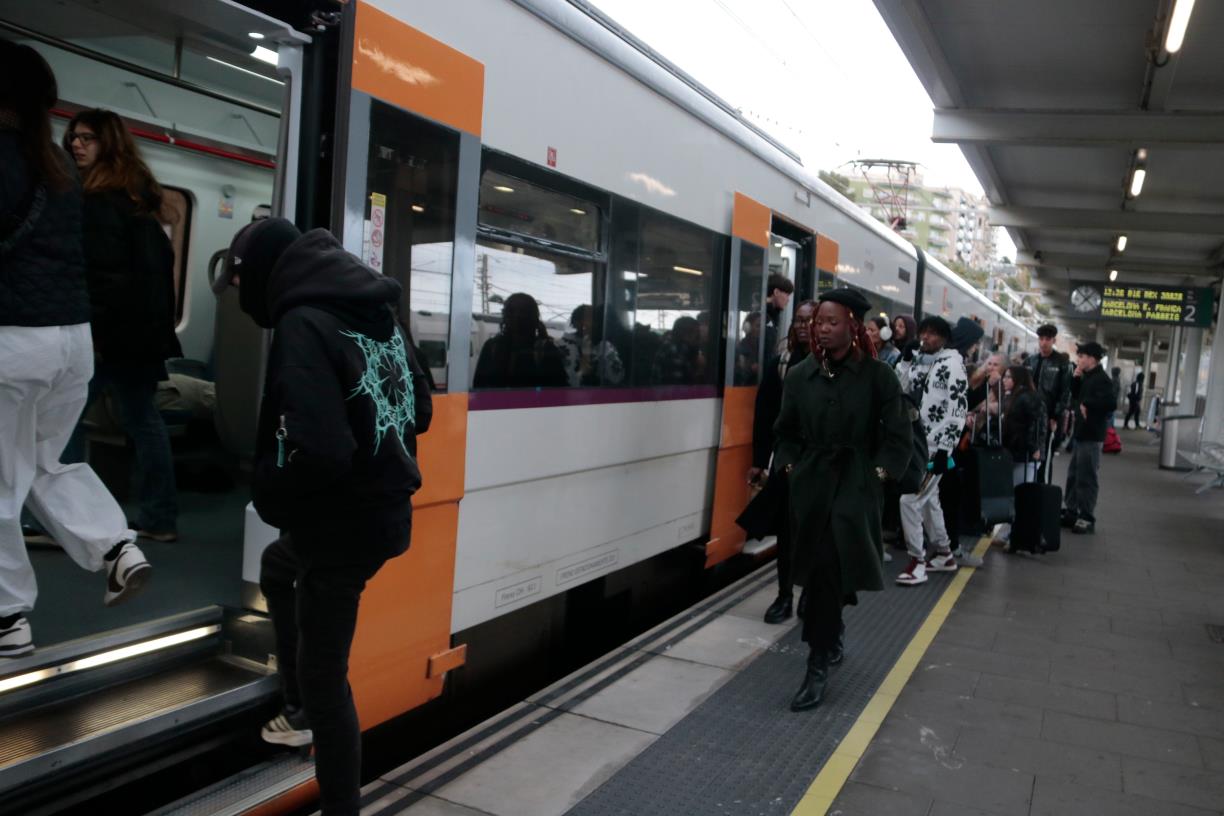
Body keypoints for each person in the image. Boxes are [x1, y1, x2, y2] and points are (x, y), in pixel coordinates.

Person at [212, 217, 432, 816]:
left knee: (326, 678)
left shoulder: (301, 323)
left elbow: (322, 451)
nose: (243, 298)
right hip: (385, 513)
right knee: (277, 567)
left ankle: (334, 788)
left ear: (264, 273)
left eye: (241, 283)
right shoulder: (377, 312)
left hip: (340, 528)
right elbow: (421, 410)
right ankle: (300, 706)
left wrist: (271, 492)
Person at [0, 42, 151, 657]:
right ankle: (116, 547)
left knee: (2, 478)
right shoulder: (60, 168)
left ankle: (6, 618)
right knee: (42, 461)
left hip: (13, 341)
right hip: (70, 342)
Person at [773, 288, 911, 711]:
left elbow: (899, 438)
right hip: (810, 487)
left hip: (855, 486)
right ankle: (830, 634)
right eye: (819, 322)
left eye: (832, 322)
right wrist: (791, 468)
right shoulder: (800, 376)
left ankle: (816, 665)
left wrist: (878, 476)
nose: (822, 329)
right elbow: (785, 432)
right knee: (823, 572)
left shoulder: (879, 377)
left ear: (853, 325)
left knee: (829, 566)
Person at [60, 108, 181, 541]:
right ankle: (159, 518)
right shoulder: (137, 198)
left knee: (63, 421)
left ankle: (66, 519)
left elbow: (103, 276)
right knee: (144, 423)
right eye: (73, 137)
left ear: (107, 143)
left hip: (109, 336)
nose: (76, 144)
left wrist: (91, 333)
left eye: (87, 138)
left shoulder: (98, 201)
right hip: (141, 335)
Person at [747, 299, 816, 623]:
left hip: (820, 464)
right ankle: (784, 595)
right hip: (788, 463)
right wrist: (759, 460)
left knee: (814, 532)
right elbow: (764, 415)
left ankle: (810, 592)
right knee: (787, 533)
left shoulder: (833, 365)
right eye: (799, 320)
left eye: (810, 320)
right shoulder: (782, 364)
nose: (803, 326)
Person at [895, 316, 970, 586]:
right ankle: (944, 554)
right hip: (916, 444)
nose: (925, 337)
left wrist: (945, 451)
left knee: (909, 500)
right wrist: (905, 360)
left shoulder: (953, 366)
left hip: (935, 449)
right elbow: (900, 388)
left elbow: (958, 410)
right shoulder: (920, 360)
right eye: (923, 332)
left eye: (933, 334)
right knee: (930, 500)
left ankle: (917, 562)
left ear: (944, 338)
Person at [1062, 342, 1113, 535]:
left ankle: (1086, 516)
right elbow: (1076, 396)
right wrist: (1075, 379)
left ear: (1092, 358)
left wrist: (1088, 404)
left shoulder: (1102, 379)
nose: (1079, 359)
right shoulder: (1087, 376)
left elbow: (1110, 403)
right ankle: (1072, 511)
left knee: (1087, 477)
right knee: (1074, 474)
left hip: (1092, 435)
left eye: (1081, 356)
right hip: (1081, 433)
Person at [992, 366, 1045, 547]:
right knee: (1016, 494)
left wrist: (1034, 447)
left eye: (1009, 377)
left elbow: (1034, 424)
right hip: (1018, 452)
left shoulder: (1025, 398)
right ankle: (1010, 534)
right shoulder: (1016, 396)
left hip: (1025, 454)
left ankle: (1014, 535)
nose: (1005, 380)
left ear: (1018, 379)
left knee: (1018, 495)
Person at [473, 292, 567, 389]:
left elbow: (479, 387)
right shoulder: (545, 349)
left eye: (523, 312)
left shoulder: (492, 346)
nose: (517, 316)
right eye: (511, 311)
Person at [1025, 324, 1072, 472]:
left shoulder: (1062, 363)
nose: (1043, 342)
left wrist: (1055, 417)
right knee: (1027, 453)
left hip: (1049, 417)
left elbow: (1065, 392)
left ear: (1053, 341)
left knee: (1045, 456)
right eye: (1041, 339)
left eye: (1047, 339)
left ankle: (1042, 484)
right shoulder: (1030, 361)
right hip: (1028, 414)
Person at [557, 304, 624, 387]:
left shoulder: (605, 346)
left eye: (594, 320)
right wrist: (585, 356)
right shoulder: (565, 346)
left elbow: (617, 378)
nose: (591, 324)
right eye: (585, 320)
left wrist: (605, 354)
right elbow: (568, 382)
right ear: (576, 323)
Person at [651, 315, 705, 384]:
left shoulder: (671, 345)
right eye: (697, 334)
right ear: (687, 334)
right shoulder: (675, 351)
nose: (699, 337)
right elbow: (678, 384)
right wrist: (700, 370)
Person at [763, 273, 794, 358]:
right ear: (776, 292)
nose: (788, 300)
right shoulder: (763, 315)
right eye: (787, 295)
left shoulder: (773, 314)